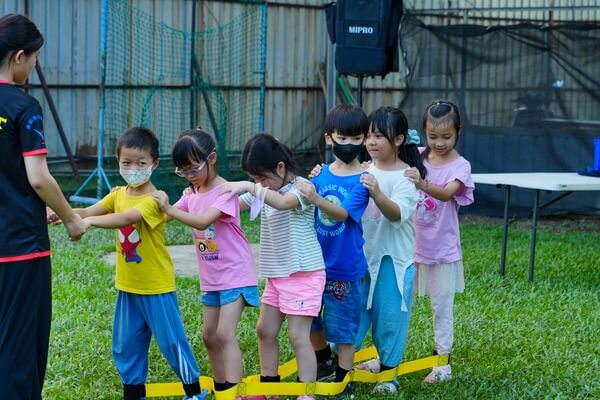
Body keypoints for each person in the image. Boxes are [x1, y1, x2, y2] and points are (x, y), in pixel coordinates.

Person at [75, 127, 206, 400]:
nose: (133, 168)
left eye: (141, 163)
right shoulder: (118, 194)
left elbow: (125, 219)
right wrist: (64, 213)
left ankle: (193, 391)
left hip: (156, 286)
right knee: (126, 345)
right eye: (127, 163)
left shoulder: (154, 200)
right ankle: (133, 393)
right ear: (118, 161)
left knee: (172, 342)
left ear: (154, 164)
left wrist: (86, 222)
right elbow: (88, 210)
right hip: (128, 285)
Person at [0, 13, 88, 400]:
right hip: (20, 248)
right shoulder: (24, 106)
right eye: (35, 57)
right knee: (20, 346)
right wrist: (71, 218)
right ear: (18, 56)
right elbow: (38, 177)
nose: (35, 65)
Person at [151, 128, 260, 398]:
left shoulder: (225, 191)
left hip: (235, 274)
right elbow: (163, 217)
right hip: (211, 278)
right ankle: (221, 386)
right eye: (183, 171)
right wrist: (134, 198)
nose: (189, 176)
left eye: (193, 169)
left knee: (224, 334)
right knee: (209, 336)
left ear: (211, 158)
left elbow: (202, 221)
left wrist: (169, 209)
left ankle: (234, 393)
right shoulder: (192, 193)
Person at [221, 133, 326, 400]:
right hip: (278, 276)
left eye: (261, 177)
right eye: (255, 179)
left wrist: (251, 186)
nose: (259, 184)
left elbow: (282, 203)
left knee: (298, 337)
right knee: (264, 330)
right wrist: (205, 192)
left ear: (280, 167)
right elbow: (234, 203)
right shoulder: (263, 190)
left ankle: (307, 394)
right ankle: (270, 389)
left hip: (304, 274)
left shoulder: (301, 187)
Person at [295, 104, 370, 400]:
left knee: (343, 327)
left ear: (363, 138)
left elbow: (340, 214)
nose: (348, 145)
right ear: (329, 139)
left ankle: (343, 381)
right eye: (342, 138)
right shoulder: (320, 174)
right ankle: (324, 360)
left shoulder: (363, 180)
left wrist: (314, 196)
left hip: (344, 267)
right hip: (314, 266)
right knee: (310, 319)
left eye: (355, 138)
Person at [346, 106, 422, 394]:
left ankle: (388, 376)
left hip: (394, 261)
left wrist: (376, 191)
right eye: (369, 135)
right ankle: (341, 369)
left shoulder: (408, 177)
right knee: (352, 316)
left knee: (389, 319)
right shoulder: (363, 169)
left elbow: (396, 214)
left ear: (399, 140)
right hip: (361, 258)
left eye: (379, 136)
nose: (371, 141)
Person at [404, 100, 475, 383]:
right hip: (407, 248)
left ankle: (442, 364)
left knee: (441, 308)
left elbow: (446, 194)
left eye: (446, 136)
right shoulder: (416, 156)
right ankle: (386, 357)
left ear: (458, 132)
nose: (439, 142)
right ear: (423, 132)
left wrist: (421, 183)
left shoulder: (461, 165)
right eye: (432, 137)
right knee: (396, 305)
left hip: (442, 251)